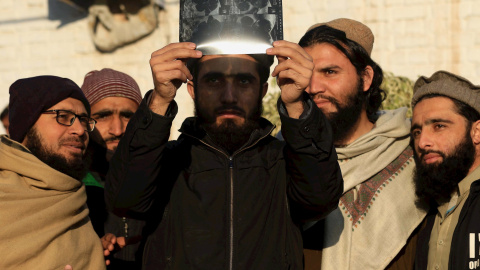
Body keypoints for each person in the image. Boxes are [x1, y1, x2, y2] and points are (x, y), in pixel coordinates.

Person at [104, 41, 343, 269]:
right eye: (214, 80)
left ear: (262, 91)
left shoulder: (286, 162)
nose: (229, 96)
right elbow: (123, 199)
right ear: (192, 90)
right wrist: (159, 100)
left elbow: (320, 201)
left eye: (243, 81)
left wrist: (297, 105)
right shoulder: (166, 162)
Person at [294, 18, 427, 269]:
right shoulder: (283, 155)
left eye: (330, 72)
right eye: (307, 76)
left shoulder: (414, 152)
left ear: (365, 78)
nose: (313, 87)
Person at [0, 76, 105, 269]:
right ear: (27, 124)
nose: (80, 130)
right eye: (63, 117)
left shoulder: (79, 199)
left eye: (84, 120)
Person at [411, 71, 480, 270]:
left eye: (439, 126)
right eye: (417, 132)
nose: (423, 142)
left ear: (476, 132)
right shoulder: (430, 208)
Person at [80, 68, 145, 268]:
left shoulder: (163, 178)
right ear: (84, 122)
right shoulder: (69, 187)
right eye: (104, 115)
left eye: (127, 116)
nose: (117, 129)